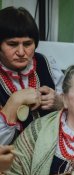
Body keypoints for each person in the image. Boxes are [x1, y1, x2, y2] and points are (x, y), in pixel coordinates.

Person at [0, 6, 64, 145]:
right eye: (12, 44)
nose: (21, 52)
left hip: (49, 153)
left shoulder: (46, 64)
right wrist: (13, 103)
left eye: (28, 44)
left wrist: (60, 104)